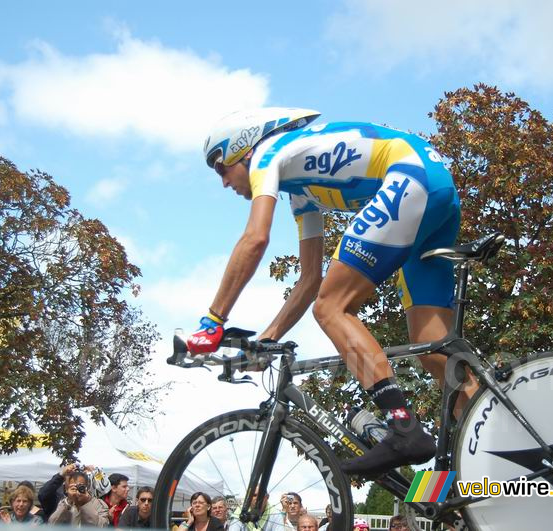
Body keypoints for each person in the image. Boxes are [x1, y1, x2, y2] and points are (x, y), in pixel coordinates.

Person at [189, 108, 474, 477]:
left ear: (242, 149)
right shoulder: (301, 191)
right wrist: (268, 340)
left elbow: (255, 238)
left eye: (220, 167)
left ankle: (403, 428)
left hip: (410, 177)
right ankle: (494, 446)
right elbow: (309, 280)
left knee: (332, 308)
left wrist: (213, 320)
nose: (224, 183)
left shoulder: (266, 156)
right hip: (435, 187)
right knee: (434, 348)